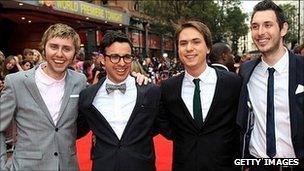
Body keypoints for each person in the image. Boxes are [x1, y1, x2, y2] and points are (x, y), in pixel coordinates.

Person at [0, 23, 87, 170]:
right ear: (44, 49)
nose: (59, 54)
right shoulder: (16, 82)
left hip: (67, 166)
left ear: (74, 53)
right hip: (27, 166)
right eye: (54, 46)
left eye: (66, 49)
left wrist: (135, 79)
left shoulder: (80, 81)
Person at [157, 21, 241, 170]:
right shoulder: (168, 87)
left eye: (196, 42)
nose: (189, 48)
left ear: (208, 47)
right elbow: (165, 125)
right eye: (183, 43)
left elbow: (240, 125)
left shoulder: (233, 83)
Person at [77, 30, 160, 171]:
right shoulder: (88, 95)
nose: (122, 63)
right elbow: (78, 129)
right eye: (115, 57)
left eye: (127, 57)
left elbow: (159, 126)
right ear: (103, 59)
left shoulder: (150, 91)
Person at [237, 0, 304, 170]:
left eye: (268, 25)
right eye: (255, 26)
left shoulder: (301, 68)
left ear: (283, 29)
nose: (260, 32)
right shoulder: (246, 71)